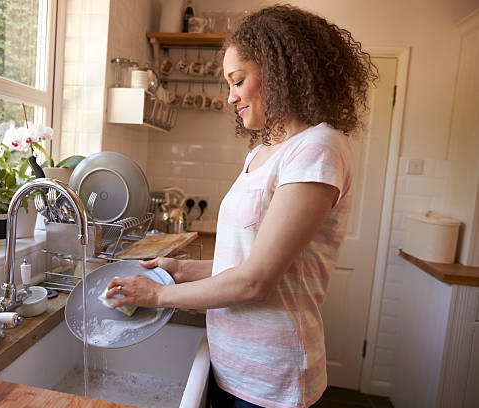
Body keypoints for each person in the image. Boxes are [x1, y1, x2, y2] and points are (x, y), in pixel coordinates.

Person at [107, 5, 377, 408]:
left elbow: (256, 281)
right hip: (230, 366)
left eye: (238, 80)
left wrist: (158, 296)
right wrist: (182, 271)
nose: (230, 96)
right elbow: (246, 262)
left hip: (273, 380)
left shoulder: (317, 148)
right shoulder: (262, 151)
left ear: (279, 72)